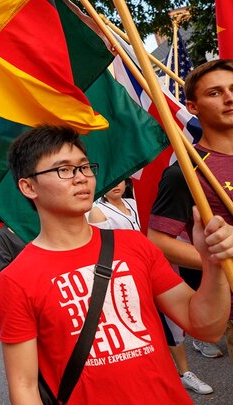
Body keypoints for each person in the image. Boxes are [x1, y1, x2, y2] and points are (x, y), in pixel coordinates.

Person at [0, 125, 232, 404]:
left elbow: (206, 326)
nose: (81, 178)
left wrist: (213, 263)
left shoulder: (135, 245)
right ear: (28, 186)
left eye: (85, 167)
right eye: (64, 169)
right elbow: (23, 386)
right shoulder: (16, 279)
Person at [147, 59, 233, 392]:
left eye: (232, 90)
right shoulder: (188, 170)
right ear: (193, 107)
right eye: (216, 92)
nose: (228, 98)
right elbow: (158, 241)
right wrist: (218, 260)